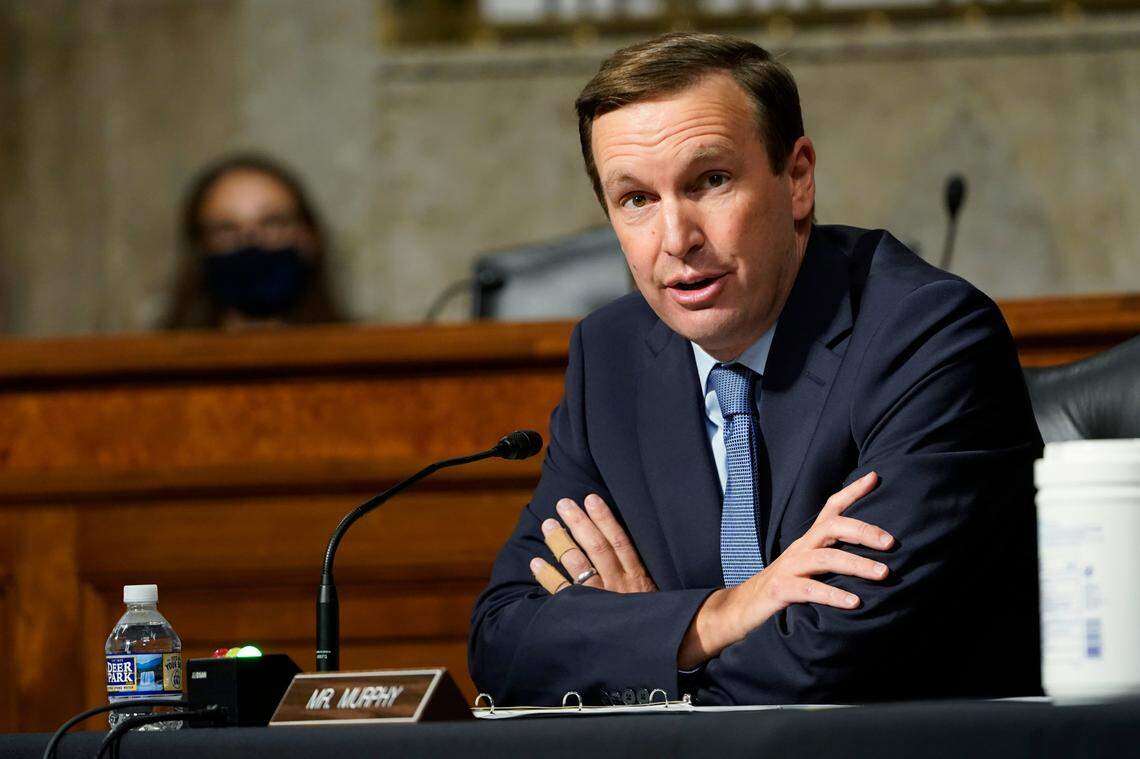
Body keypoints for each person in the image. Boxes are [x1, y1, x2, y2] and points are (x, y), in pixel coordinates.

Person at [468, 32, 1042, 706]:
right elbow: (504, 640)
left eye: (710, 181)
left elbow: (830, 657)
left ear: (797, 178)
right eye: (636, 200)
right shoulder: (612, 357)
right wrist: (721, 613)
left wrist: (642, 644)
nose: (676, 240)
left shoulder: (926, 335)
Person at [162, 154, 344, 330]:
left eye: (272, 222)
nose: (251, 241)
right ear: (200, 245)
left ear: (308, 236)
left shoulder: (362, 351)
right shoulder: (155, 358)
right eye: (227, 228)